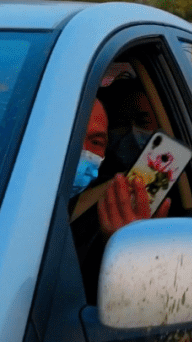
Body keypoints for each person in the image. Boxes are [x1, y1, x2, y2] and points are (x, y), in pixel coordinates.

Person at [69, 98, 170, 303]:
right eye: (71, 133)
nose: (81, 149)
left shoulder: (107, 207)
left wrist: (126, 252)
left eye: (96, 143)